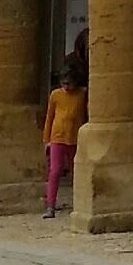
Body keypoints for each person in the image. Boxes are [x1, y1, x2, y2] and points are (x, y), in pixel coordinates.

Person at [42, 61, 88, 217]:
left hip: (75, 137)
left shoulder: (81, 94)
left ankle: (79, 203)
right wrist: (46, 139)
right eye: (63, 83)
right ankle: (50, 205)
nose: (66, 86)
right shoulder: (55, 95)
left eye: (69, 83)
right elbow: (49, 117)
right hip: (57, 136)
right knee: (55, 170)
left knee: (77, 171)